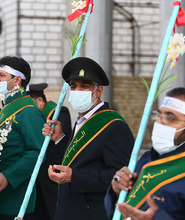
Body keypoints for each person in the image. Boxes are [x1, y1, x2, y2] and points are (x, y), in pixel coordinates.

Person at [105, 87, 185, 219]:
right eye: (159, 115)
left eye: (170, 119)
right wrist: (118, 192)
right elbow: (118, 212)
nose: (159, 123)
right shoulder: (149, 159)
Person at [43, 57, 134, 220]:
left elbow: (120, 177)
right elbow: (77, 159)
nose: (77, 91)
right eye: (73, 86)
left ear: (98, 91)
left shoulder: (114, 125)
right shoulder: (81, 121)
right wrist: (60, 138)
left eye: (84, 86)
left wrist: (74, 177)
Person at [0, 56, 45, 220]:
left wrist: (8, 176)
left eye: (2, 75)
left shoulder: (28, 110)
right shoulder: (7, 107)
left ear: (17, 80)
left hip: (15, 199)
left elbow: (37, 152)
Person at [27, 83, 71, 220]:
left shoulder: (59, 113)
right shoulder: (32, 117)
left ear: (39, 101)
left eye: (30, 105)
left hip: (52, 178)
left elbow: (63, 138)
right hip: (36, 181)